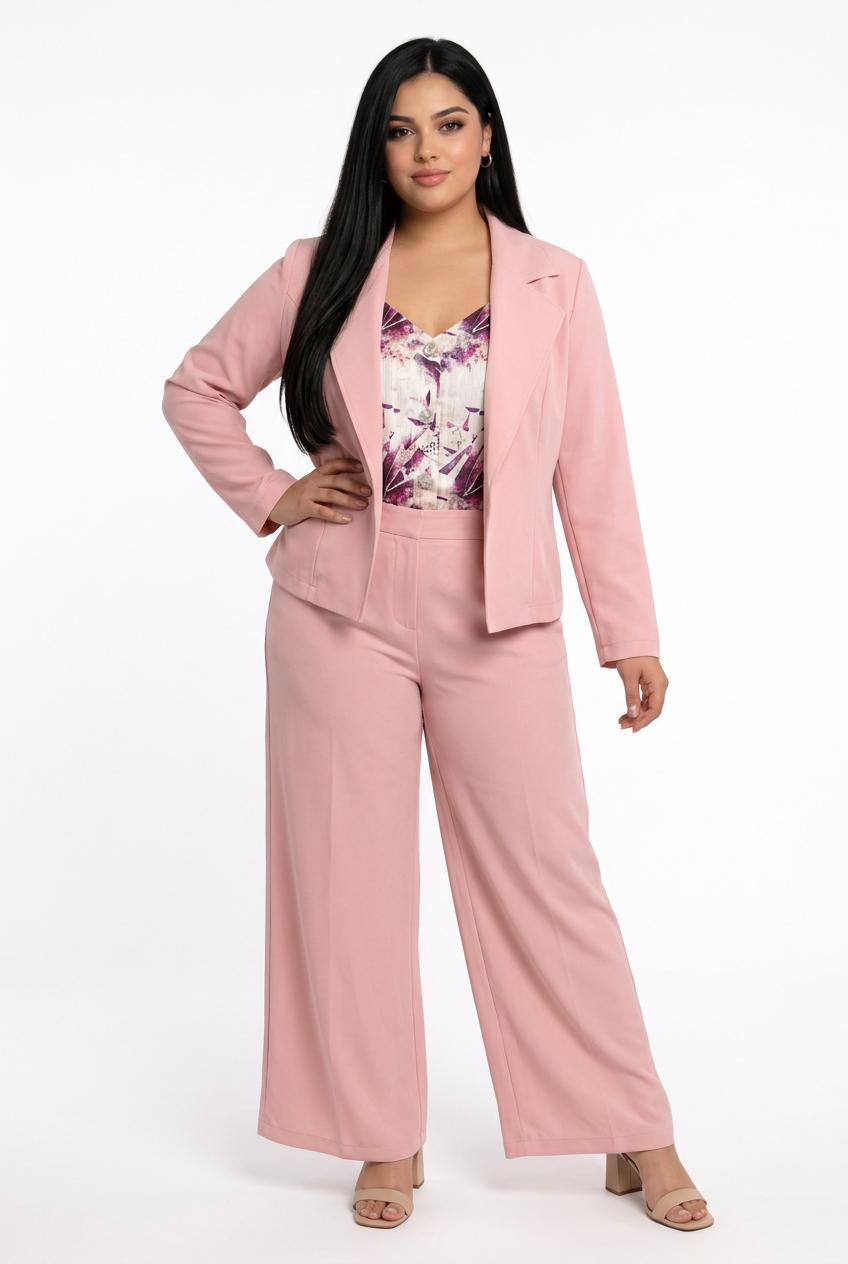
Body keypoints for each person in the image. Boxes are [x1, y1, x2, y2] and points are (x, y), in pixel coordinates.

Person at [161, 36, 713, 1234]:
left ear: (487, 138)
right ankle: (382, 1136)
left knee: (546, 873)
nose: (427, 149)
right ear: (376, 146)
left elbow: (592, 465)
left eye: (450, 124)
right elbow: (195, 387)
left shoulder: (554, 281)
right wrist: (272, 493)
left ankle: (635, 1129)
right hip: (336, 610)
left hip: (498, 609)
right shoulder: (314, 269)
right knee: (346, 880)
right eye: (402, 128)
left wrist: (625, 629)